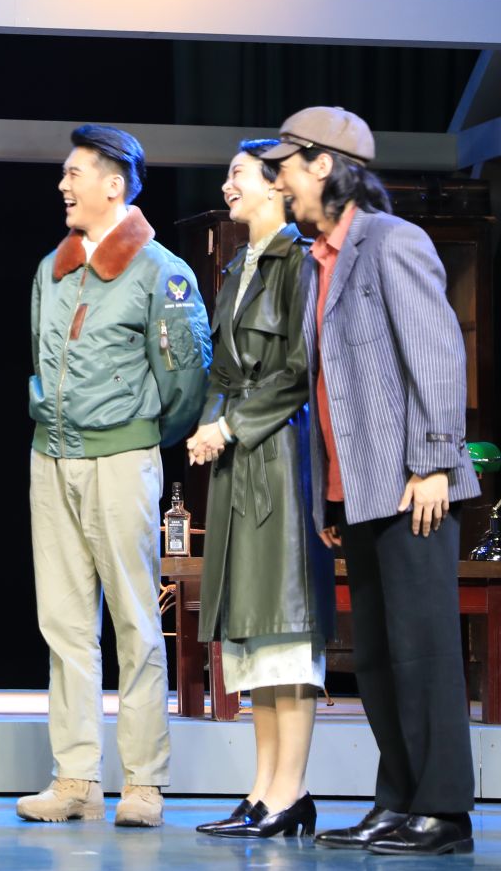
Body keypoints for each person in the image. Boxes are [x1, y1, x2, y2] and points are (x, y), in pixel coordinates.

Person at [258, 107, 479, 857]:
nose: (279, 180)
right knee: (380, 656)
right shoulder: (317, 258)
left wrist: (434, 462)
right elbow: (329, 384)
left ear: (323, 165)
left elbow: (438, 354)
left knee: (423, 649)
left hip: (414, 482)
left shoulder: (391, 240)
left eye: (286, 165)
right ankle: (398, 798)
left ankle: (443, 810)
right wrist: (330, 491)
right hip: (358, 488)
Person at [18, 124, 209, 831]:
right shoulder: (53, 266)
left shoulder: (162, 270)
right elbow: (39, 356)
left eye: (74, 173)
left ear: (113, 184)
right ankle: (74, 777)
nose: (62, 185)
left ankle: (144, 781)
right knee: (65, 623)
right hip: (51, 457)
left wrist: (136, 435)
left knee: (135, 619)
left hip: (122, 459)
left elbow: (186, 380)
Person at [187, 140, 333, 840]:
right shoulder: (236, 268)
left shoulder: (299, 263)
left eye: (239, 174)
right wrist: (208, 423)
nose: (228, 185)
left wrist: (232, 425)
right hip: (237, 460)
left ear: (277, 186)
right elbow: (223, 370)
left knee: (286, 628)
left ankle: (290, 791)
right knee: (251, 636)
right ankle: (263, 791)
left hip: (280, 456)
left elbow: (299, 368)